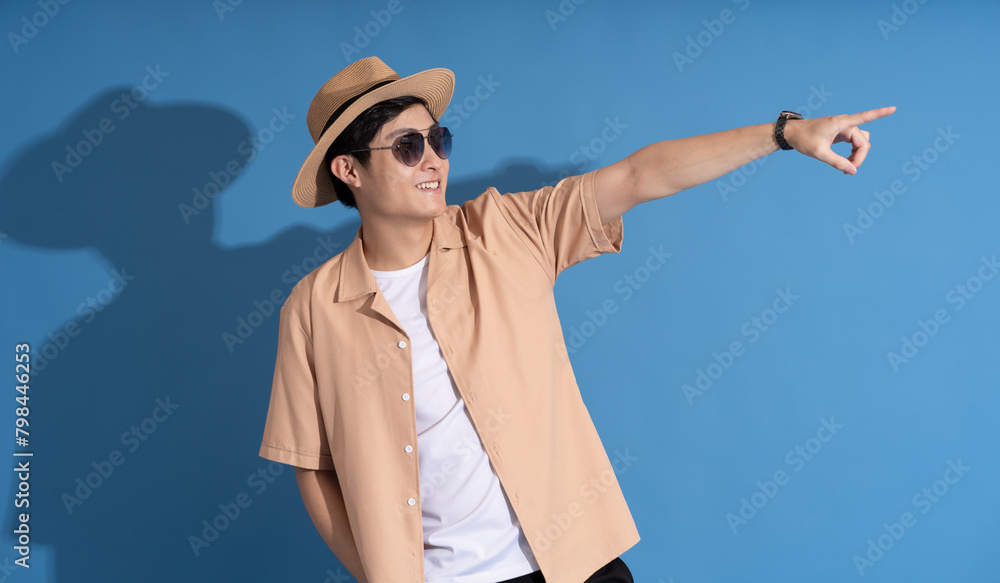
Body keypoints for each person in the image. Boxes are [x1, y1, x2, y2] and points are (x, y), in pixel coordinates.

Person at [257, 56, 894, 583]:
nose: (434, 160)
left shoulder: (507, 230)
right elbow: (312, 465)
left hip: (574, 564)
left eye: (439, 139)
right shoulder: (314, 308)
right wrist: (380, 575)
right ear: (349, 170)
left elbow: (639, 176)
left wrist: (782, 134)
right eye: (407, 146)